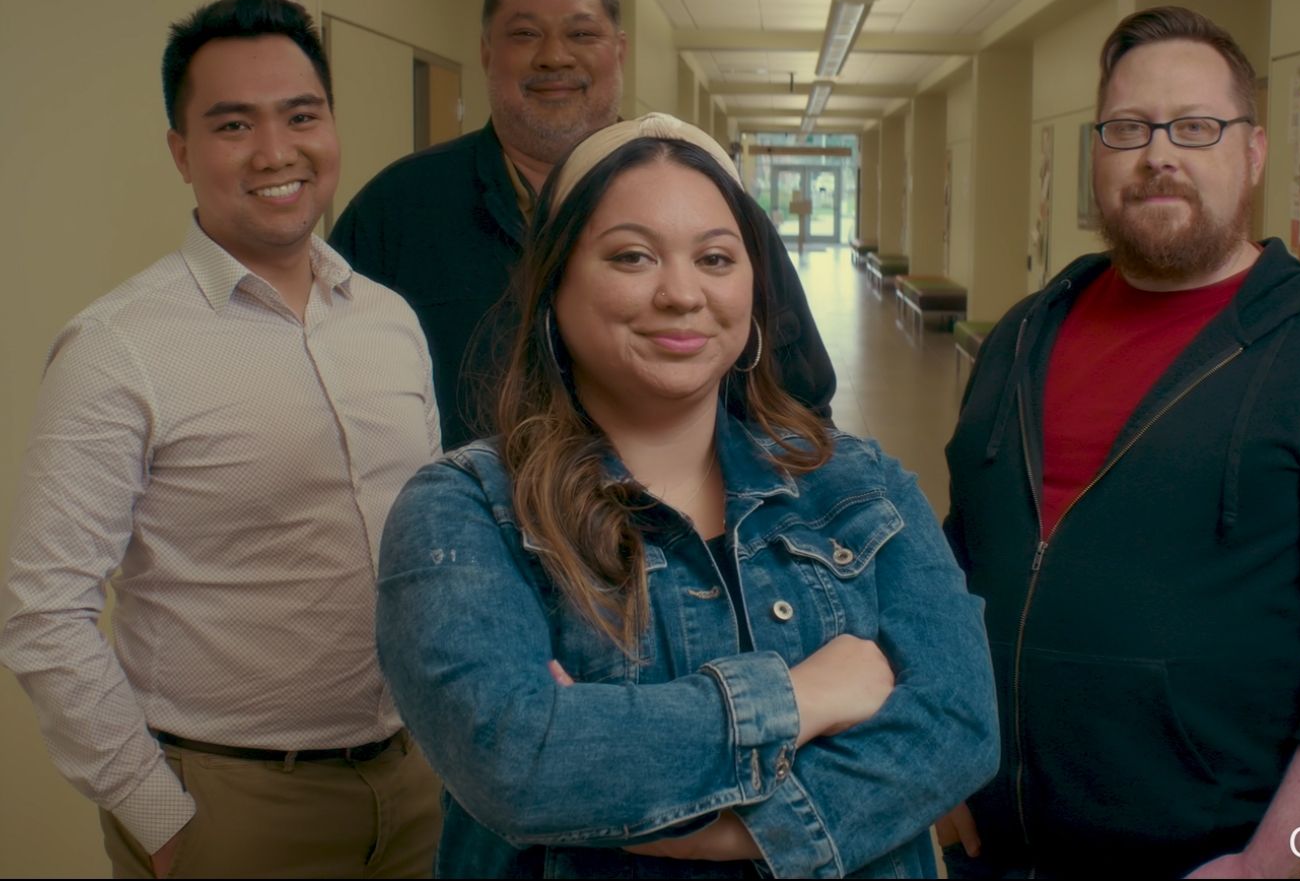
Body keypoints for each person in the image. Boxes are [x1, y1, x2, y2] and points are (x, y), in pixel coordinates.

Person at [375, 113, 999, 878]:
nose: (681, 293)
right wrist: (804, 696)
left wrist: (741, 830)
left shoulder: (858, 485)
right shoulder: (465, 511)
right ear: (553, 284)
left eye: (714, 257)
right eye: (632, 256)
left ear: (753, 287)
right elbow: (517, 757)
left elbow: (962, 722)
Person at [938, 5, 1300, 878]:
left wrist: (1269, 864)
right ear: (1098, 151)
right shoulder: (1021, 338)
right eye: (1128, 127)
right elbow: (950, 574)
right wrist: (935, 761)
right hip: (996, 850)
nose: (1158, 153)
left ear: (1252, 152)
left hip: (1207, 863)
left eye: (1196, 126)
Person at [0, 0, 443, 878]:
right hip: (232, 808)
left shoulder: (389, 319)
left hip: (417, 779)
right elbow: (42, 612)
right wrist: (160, 819)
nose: (277, 152)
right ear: (182, 152)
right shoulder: (118, 347)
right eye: (233, 124)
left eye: (301, 115)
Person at [329, 0, 835, 450]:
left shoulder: (714, 207)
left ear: (619, 49)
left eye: (581, 34)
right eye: (525, 34)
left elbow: (800, 404)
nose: (554, 56)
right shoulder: (396, 211)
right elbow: (333, 400)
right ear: (486, 51)